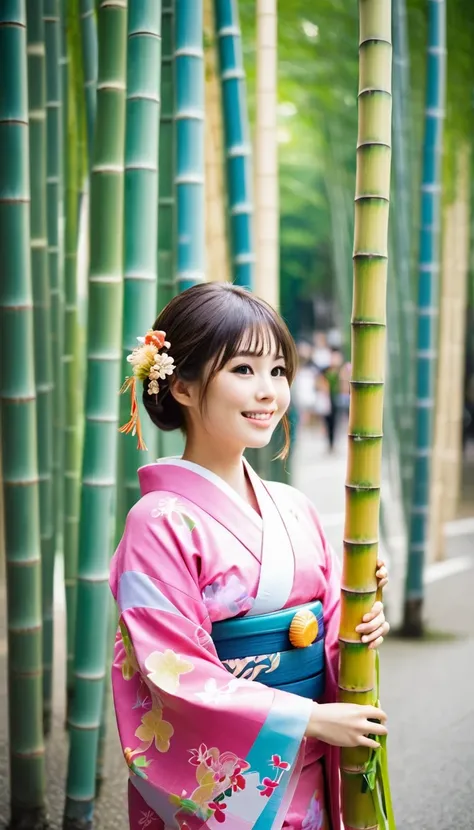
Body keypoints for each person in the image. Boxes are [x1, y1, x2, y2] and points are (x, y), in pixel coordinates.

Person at [110, 283, 390, 830]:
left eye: (279, 371)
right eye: (243, 370)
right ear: (184, 386)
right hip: (236, 780)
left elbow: (327, 630)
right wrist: (306, 716)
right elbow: (176, 674)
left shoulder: (294, 507)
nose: (269, 392)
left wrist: (364, 615)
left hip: (308, 763)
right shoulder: (159, 521)